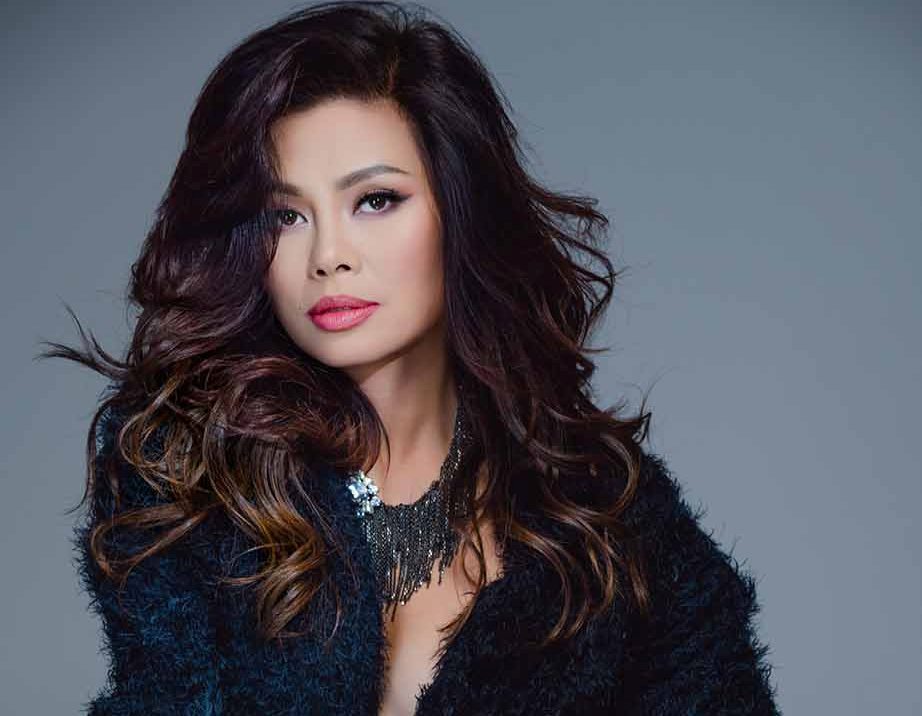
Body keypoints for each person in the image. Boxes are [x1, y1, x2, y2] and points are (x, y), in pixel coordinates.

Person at [43, 2, 782, 714]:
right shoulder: (188, 479)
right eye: (286, 215)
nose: (328, 256)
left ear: (459, 210)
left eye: (375, 200)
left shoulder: (600, 509)